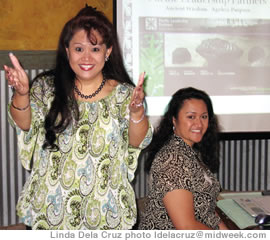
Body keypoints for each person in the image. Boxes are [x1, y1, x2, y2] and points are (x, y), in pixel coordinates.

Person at [3, 5, 153, 230]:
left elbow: (136, 142)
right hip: (51, 209)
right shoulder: (46, 87)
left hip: (107, 211)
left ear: (108, 51)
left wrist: (137, 113)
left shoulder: (125, 94)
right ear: (67, 50)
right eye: (78, 48)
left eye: (95, 49)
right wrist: (22, 94)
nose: (86, 57)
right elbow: (24, 125)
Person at [138, 87, 228, 230]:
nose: (199, 124)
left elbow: (208, 209)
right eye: (191, 117)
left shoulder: (190, 152)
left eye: (204, 116)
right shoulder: (172, 160)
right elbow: (186, 227)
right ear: (174, 120)